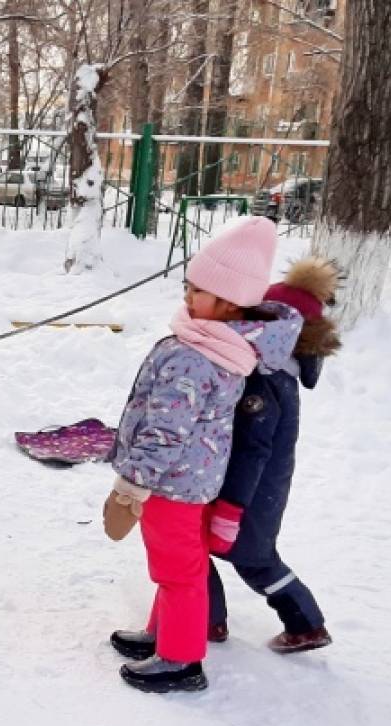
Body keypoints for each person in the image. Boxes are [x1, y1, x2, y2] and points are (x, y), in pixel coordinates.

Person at [104, 217, 302, 693]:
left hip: (170, 482)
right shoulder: (212, 343)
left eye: (199, 290)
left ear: (229, 303)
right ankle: (163, 633)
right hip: (189, 480)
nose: (187, 297)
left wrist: (133, 483)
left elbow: (167, 429)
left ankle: (180, 660)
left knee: (179, 572)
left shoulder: (197, 356)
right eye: (188, 286)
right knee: (177, 565)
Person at [206, 258, 341, 654]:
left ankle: (305, 624)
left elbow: (254, 447)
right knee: (248, 557)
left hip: (248, 494)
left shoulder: (265, 380)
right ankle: (210, 617)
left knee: (253, 559)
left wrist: (230, 508)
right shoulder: (278, 373)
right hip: (256, 492)